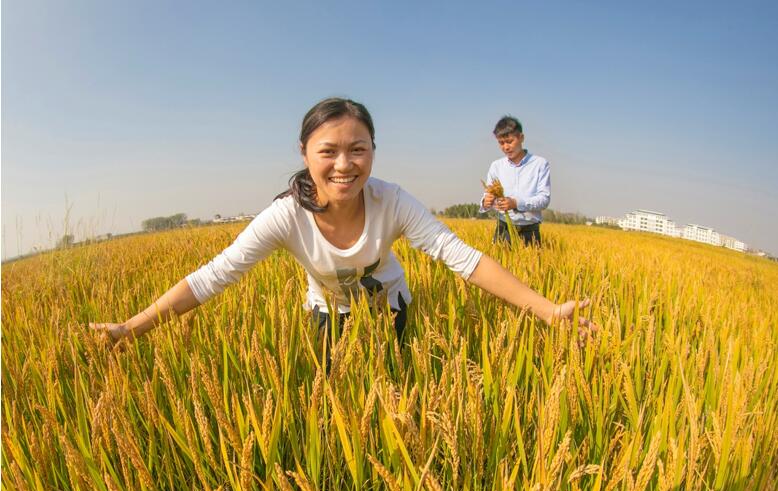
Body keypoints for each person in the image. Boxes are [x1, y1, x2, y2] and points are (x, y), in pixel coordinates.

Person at [90, 98, 592, 356]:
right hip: (327, 314)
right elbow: (211, 278)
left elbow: (463, 257)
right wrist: (129, 329)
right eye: (328, 151)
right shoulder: (286, 215)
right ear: (305, 154)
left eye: (358, 150)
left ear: (373, 151)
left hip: (392, 308)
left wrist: (549, 312)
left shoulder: (391, 200)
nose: (344, 165)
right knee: (333, 398)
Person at [480, 116, 550, 246]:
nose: (506, 147)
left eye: (509, 141)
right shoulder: (496, 166)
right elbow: (488, 195)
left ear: (521, 138)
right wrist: (486, 201)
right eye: (501, 143)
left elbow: (544, 199)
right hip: (503, 229)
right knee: (499, 265)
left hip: (530, 232)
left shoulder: (540, 164)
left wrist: (516, 203)